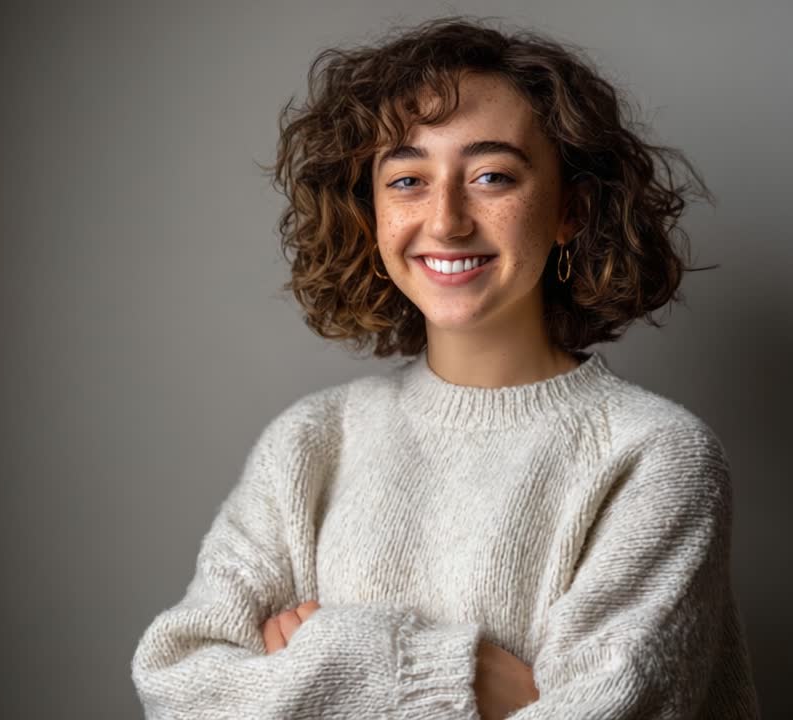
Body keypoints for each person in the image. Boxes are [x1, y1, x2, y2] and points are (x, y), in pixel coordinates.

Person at [131, 15, 761, 719]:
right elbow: (179, 687)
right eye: (407, 179)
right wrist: (452, 677)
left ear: (571, 211)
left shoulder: (655, 457)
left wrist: (310, 672)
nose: (447, 219)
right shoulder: (311, 443)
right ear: (370, 210)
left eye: (492, 176)